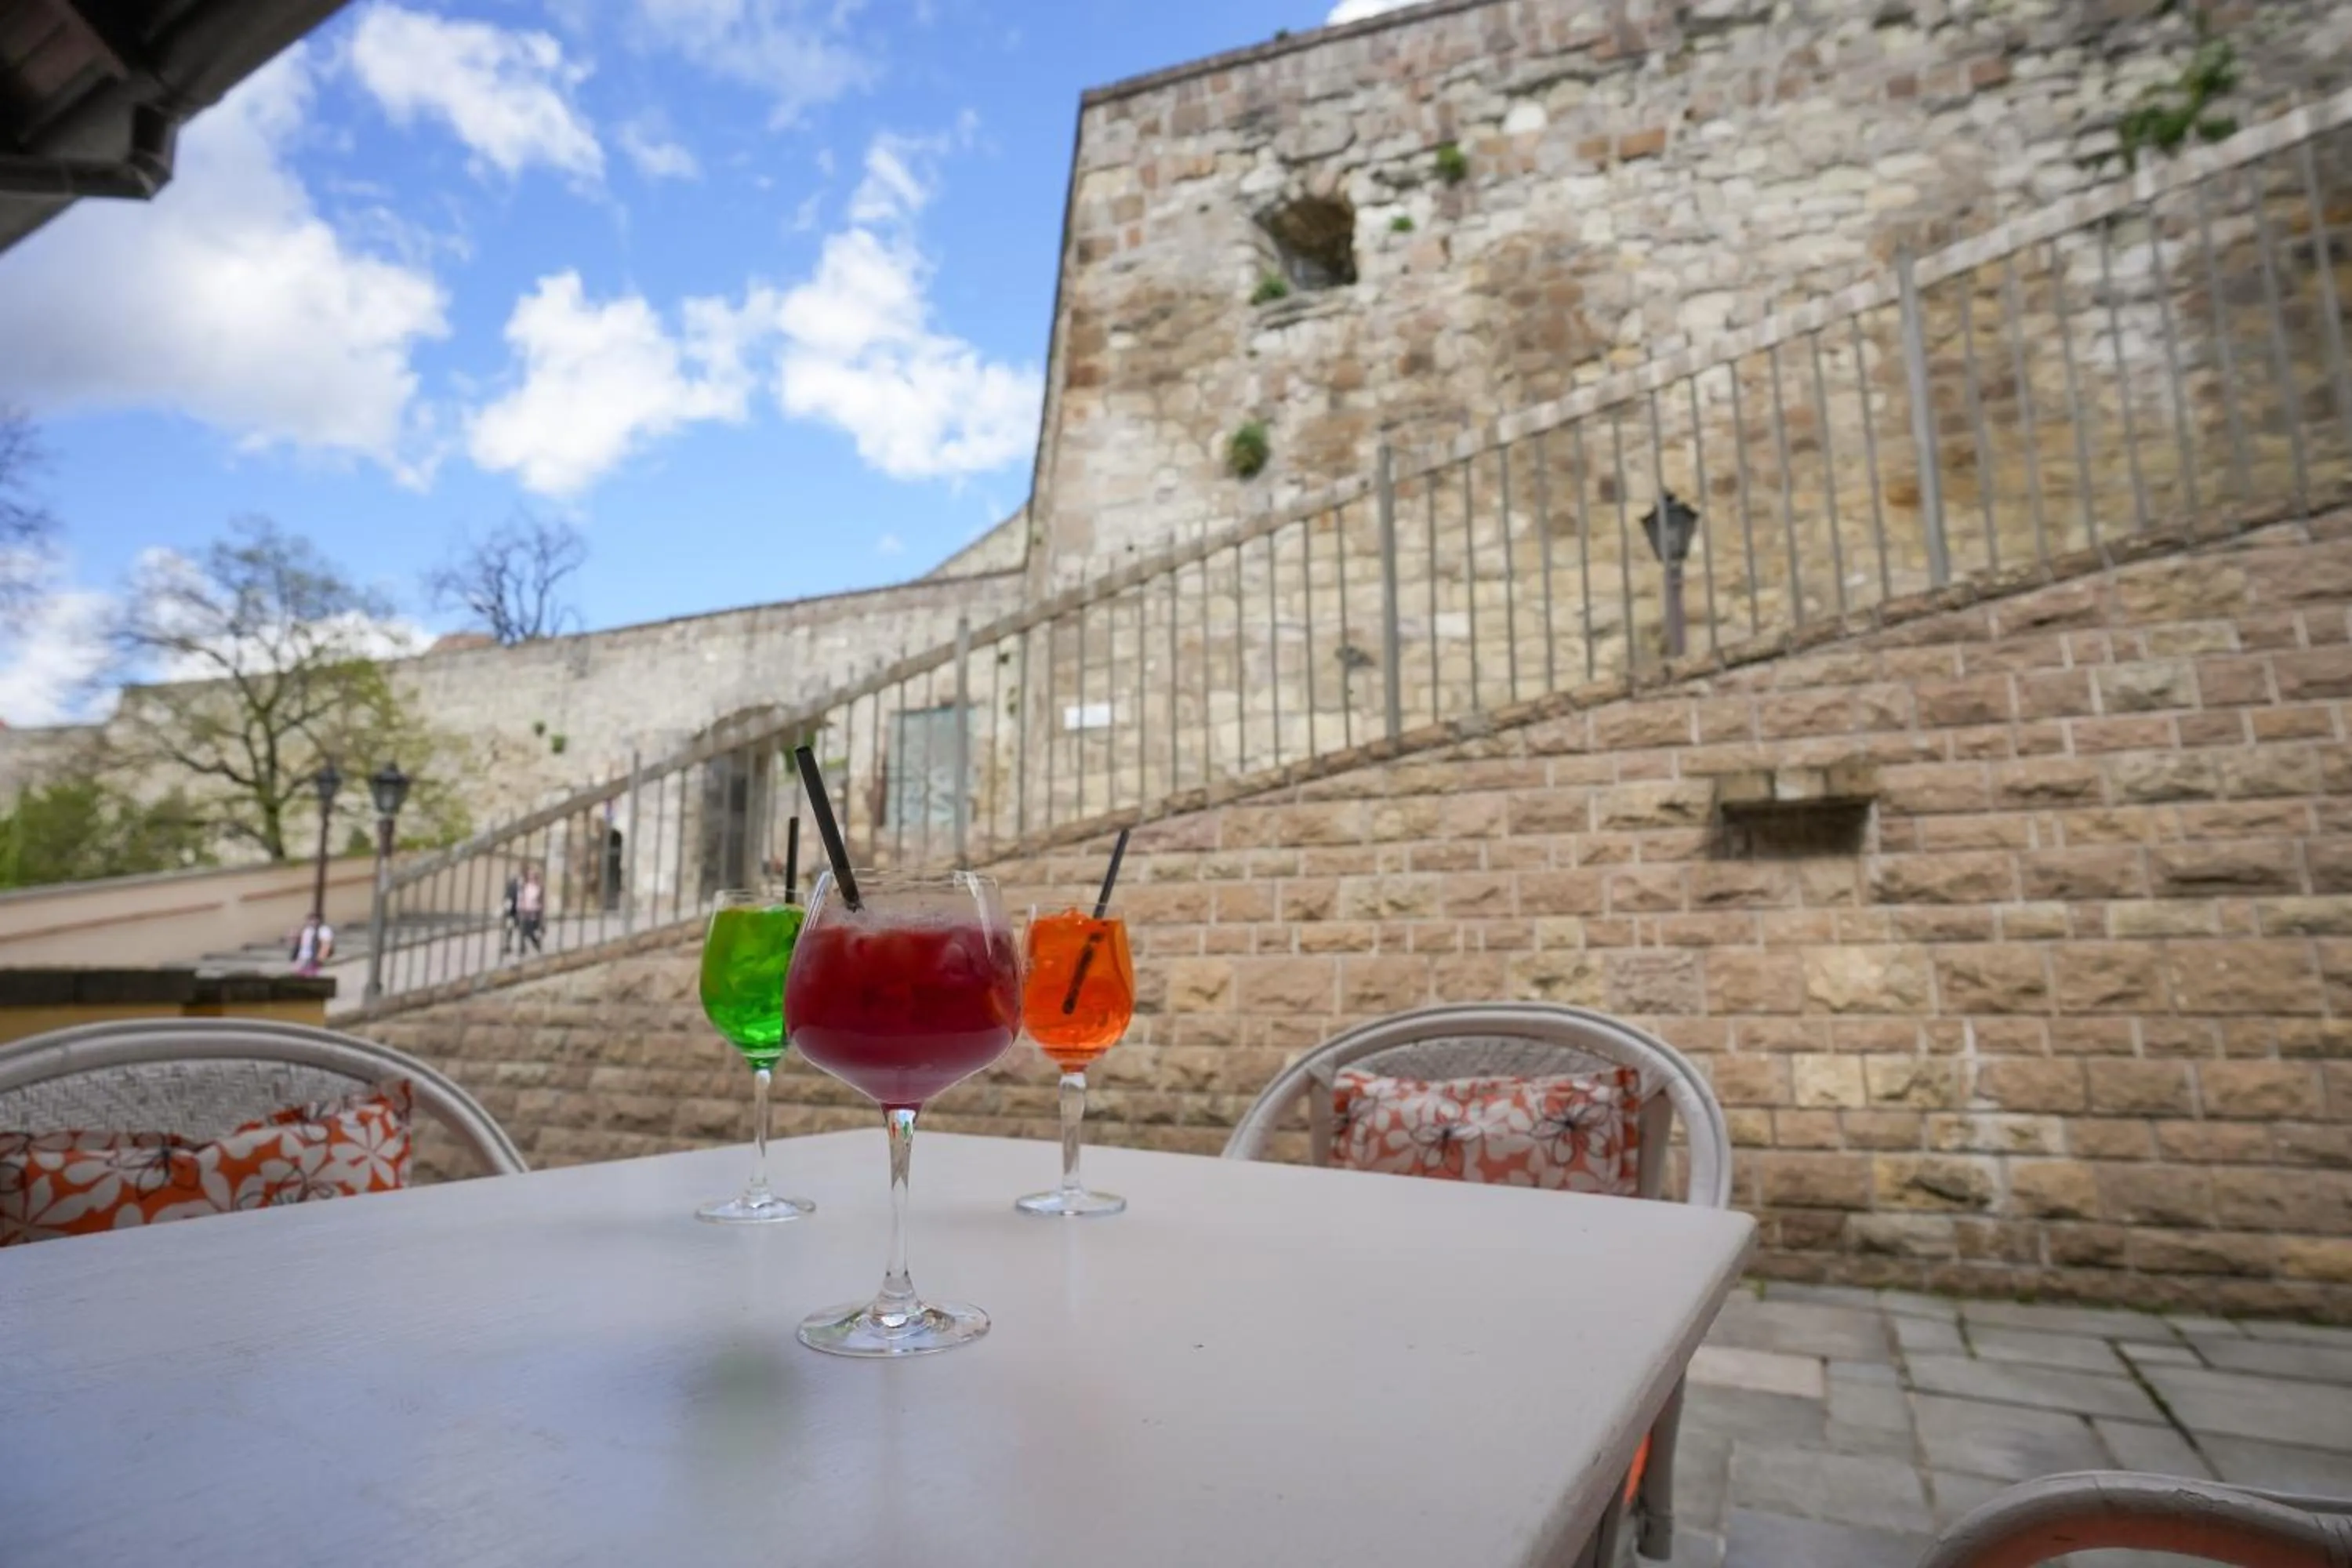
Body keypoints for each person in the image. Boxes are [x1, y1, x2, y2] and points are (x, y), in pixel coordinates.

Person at [291, 913, 335, 977]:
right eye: (310, 920)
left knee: (311, 975)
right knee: (298, 974)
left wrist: (320, 958)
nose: (311, 922)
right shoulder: (307, 930)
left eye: (313, 920)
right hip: (302, 956)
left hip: (312, 957)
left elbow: (325, 944)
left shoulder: (323, 930)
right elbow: (301, 944)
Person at [516, 866, 546, 954]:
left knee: (530, 932)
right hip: (525, 910)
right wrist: (520, 906)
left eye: (532, 875)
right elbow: (521, 897)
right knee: (522, 929)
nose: (530, 876)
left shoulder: (538, 887)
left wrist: (540, 911)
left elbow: (540, 900)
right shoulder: (525, 886)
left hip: (533, 911)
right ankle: (522, 949)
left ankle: (536, 943)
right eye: (529, 875)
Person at [501, 872, 521, 956]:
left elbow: (508, 900)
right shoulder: (518, 888)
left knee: (509, 930)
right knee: (516, 930)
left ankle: (508, 947)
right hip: (516, 912)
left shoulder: (511, 888)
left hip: (511, 913)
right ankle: (520, 947)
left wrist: (505, 911)